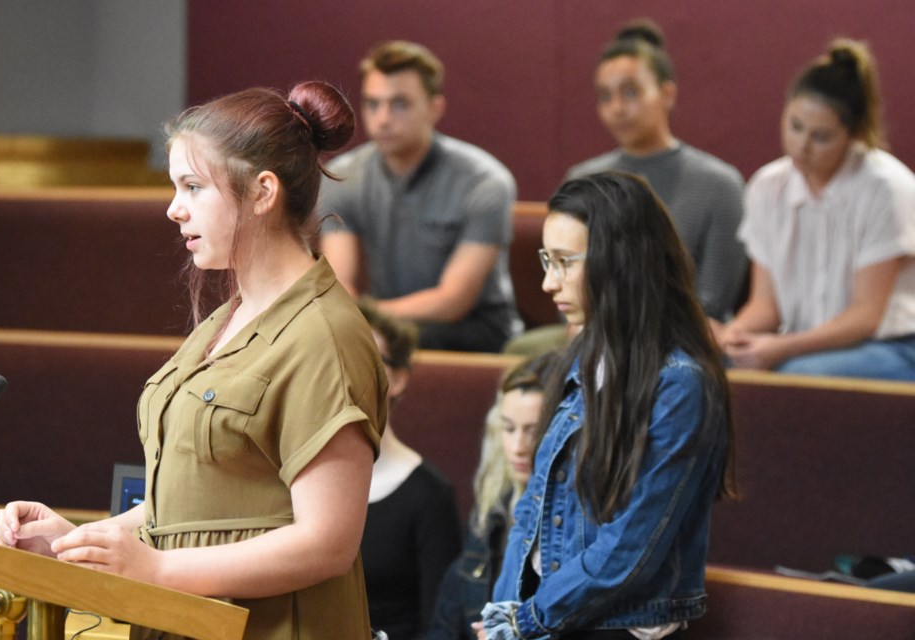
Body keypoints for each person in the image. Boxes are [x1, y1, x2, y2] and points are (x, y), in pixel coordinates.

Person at [0, 84, 388, 640]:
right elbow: (191, 503)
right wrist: (76, 542)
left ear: (262, 193)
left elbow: (327, 543)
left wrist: (157, 569)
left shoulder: (325, 334)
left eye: (193, 187)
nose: (174, 208)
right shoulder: (229, 317)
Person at [479, 173, 735, 639]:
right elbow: (531, 511)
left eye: (563, 262)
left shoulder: (680, 384)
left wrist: (526, 622)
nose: (546, 283)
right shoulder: (576, 358)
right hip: (549, 613)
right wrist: (504, 610)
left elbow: (631, 547)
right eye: (545, 260)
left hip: (616, 625)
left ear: (618, 262)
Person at [714, 39, 915, 380]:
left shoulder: (886, 187)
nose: (801, 146)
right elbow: (766, 306)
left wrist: (782, 347)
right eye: (794, 126)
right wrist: (729, 336)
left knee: (794, 373)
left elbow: (865, 316)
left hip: (893, 347)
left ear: (853, 134)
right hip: (802, 345)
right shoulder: (766, 186)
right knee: (705, 368)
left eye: (821, 136)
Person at [318, 40, 522, 353]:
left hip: (477, 330)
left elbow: (453, 300)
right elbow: (338, 283)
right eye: (373, 104)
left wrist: (366, 315)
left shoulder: (485, 180)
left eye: (399, 104)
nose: (383, 118)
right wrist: (361, 319)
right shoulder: (341, 176)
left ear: (435, 108)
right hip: (383, 325)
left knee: (375, 345)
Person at [566, 19, 747, 323]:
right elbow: (568, 281)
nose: (617, 108)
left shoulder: (719, 185)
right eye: (605, 96)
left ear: (667, 93)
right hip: (595, 332)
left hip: (683, 337)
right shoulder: (582, 181)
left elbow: (712, 301)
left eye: (631, 92)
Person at [427, 351, 562, 640]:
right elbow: (449, 620)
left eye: (533, 431)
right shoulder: (492, 507)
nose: (518, 447)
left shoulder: (572, 522)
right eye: (509, 428)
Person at [358, 299, 463, 639]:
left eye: (365, 360)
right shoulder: (287, 477)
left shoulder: (429, 495)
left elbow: (440, 623)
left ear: (398, 379)